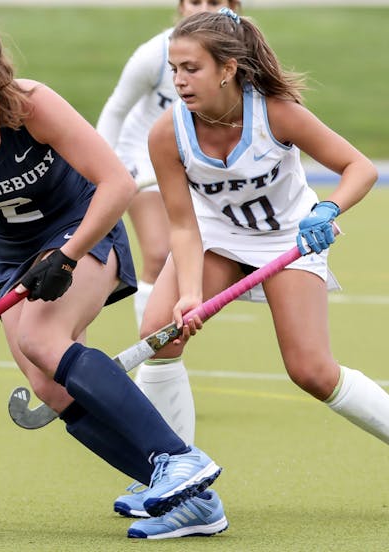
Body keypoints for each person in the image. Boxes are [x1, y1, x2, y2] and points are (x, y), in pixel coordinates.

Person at [0, 5, 225, 539]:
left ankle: (174, 455)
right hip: (14, 260)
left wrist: (68, 254)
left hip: (85, 228)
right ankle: (192, 497)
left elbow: (116, 183)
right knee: (47, 386)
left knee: (40, 335)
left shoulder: (31, 106)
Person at [139, 5, 389, 529]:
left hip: (290, 238)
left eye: (192, 68)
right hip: (215, 239)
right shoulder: (168, 134)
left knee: (311, 371)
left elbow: (358, 168)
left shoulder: (275, 112)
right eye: (174, 68)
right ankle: (176, 479)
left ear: (228, 67)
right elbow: (183, 227)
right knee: (160, 336)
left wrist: (327, 209)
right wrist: (188, 293)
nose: (179, 80)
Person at [95, 0, 242, 521]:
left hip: (197, 165)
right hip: (142, 157)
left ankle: (159, 368)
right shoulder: (153, 53)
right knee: (158, 253)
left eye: (216, 1)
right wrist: (101, 170)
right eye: (193, 1)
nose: (203, 8)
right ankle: (155, 363)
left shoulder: (240, 56)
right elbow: (116, 109)